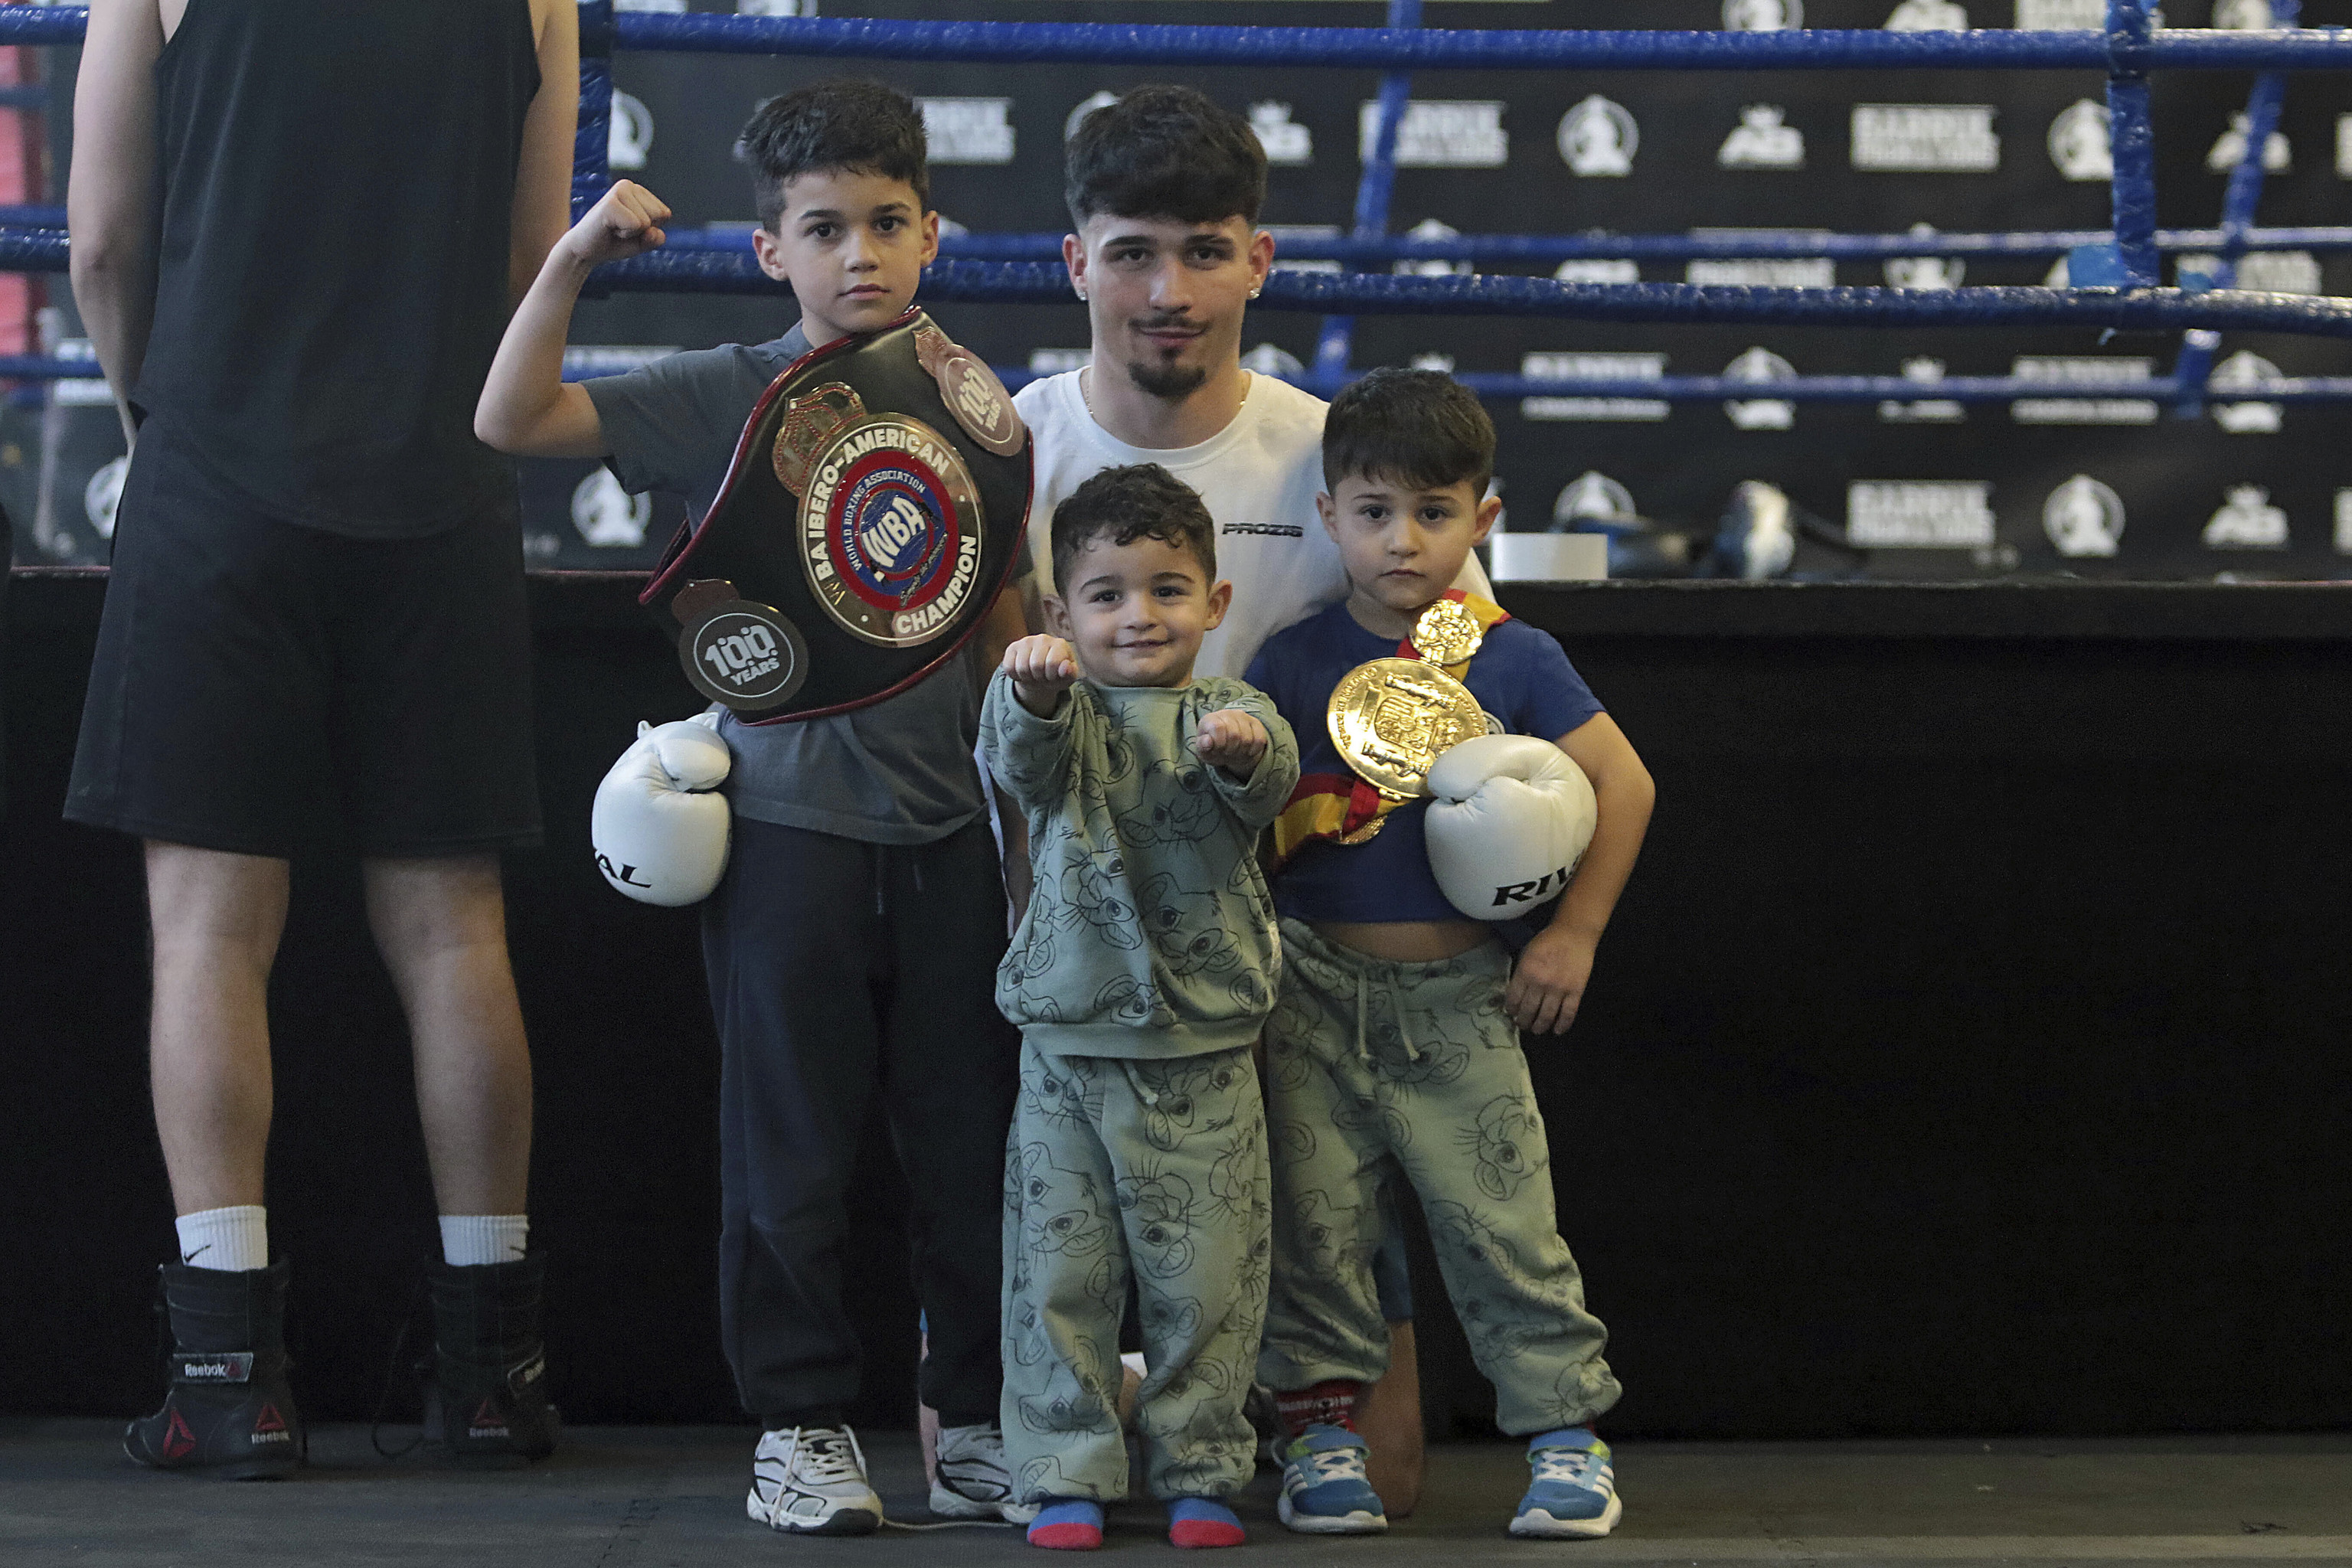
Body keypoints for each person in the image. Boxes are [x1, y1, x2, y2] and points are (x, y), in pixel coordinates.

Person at [475, 80, 1028, 1534]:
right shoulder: (730, 387)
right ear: (769, 247)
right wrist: (573, 259)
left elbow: (1000, 618)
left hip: (955, 836)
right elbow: (511, 416)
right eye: (825, 228)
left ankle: (971, 1422)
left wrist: (1028, 820)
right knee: (790, 1159)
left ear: (932, 232)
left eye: (889, 223)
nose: (861, 254)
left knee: (973, 1155)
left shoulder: (975, 401)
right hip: (784, 836)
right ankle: (800, 1429)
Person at [65, 0, 579, 1474]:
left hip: (219, 472)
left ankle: (230, 1378)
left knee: (211, 932)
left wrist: (165, 417)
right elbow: (524, 258)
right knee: (452, 931)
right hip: (441, 475)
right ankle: (495, 1374)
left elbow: (101, 245)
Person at [1023, 83, 1470, 1508]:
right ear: (1075, 260)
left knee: (1382, 1480)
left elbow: (1463, 659)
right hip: (1071, 964)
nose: (1170, 291)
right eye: (1135, 250)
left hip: (1302, 956)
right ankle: (1104, 1420)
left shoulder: (1334, 454)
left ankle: (1266, 1413)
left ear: (1260, 263)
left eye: (1206, 251)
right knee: (1046, 1343)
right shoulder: (1003, 448)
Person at [1246, 369, 1656, 1539]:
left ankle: (1567, 1438)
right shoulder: (1285, 658)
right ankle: (1321, 1440)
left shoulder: (1512, 656)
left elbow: (1626, 785)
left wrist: (1570, 936)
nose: (1401, 539)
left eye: (1433, 513)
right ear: (1329, 518)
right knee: (1316, 1231)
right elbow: (1237, 831)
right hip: (1308, 993)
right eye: (1373, 512)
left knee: (1503, 1226)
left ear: (1483, 521)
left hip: (1467, 999)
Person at [982, 464, 1299, 1552]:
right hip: (1067, 1049)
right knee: (1059, 1271)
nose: (1139, 615)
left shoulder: (1236, 709)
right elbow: (1018, 758)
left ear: (1215, 603)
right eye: (1108, 594)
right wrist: (1029, 686)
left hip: (1206, 1051)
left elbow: (1270, 781)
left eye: (1168, 589)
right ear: (1062, 615)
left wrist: (1247, 758)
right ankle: (1065, 1465)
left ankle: (1201, 1468)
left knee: (1209, 1278)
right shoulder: (1054, 705)